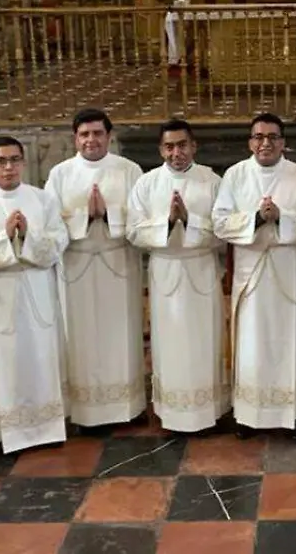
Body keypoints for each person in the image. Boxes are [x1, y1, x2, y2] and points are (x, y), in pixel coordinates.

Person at [0, 136, 70, 454]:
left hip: (37, 289)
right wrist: (4, 237)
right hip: (0, 292)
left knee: (40, 354)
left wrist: (29, 237)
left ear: (23, 162)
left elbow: (58, 243)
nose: (8, 167)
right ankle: (9, 428)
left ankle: (46, 427)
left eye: (14, 160)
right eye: (1, 161)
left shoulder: (42, 199)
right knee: (6, 358)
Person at [213, 113, 296, 442]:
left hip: (288, 269)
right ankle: (249, 413)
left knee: (292, 338)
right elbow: (219, 222)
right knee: (252, 341)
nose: (265, 143)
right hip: (252, 269)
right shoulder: (235, 175)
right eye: (259, 137)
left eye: (273, 137)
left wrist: (282, 217)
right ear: (250, 141)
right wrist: (257, 219)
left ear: (284, 142)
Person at [45, 109, 146, 430]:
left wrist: (109, 215)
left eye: (98, 133)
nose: (91, 140)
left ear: (109, 136)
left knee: (122, 333)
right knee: (81, 334)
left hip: (118, 265)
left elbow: (143, 218)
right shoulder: (59, 174)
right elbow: (49, 225)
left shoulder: (130, 170)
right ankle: (84, 410)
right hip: (77, 267)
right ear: (75, 138)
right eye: (84, 134)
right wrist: (84, 217)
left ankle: (128, 406)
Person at [127, 119, 228, 434]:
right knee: (169, 341)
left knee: (204, 339)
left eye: (182, 145)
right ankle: (173, 411)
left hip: (201, 269)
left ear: (193, 146)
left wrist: (190, 220)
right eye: (169, 146)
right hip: (166, 271)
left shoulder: (212, 181)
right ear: (161, 149)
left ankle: (208, 409)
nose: (176, 152)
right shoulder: (146, 184)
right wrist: (167, 223)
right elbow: (133, 231)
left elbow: (225, 230)